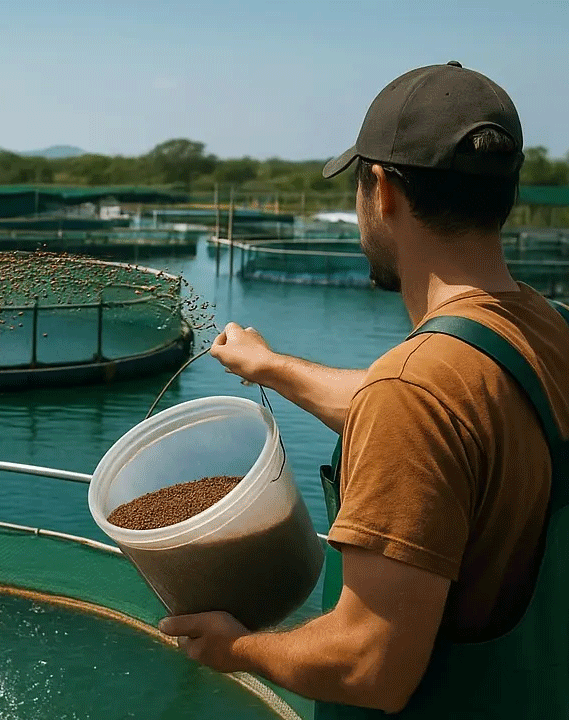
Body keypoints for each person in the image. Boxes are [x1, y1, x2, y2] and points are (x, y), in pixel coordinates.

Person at [158, 61, 569, 717]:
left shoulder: (416, 392)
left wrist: (236, 649)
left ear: (382, 191)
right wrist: (269, 366)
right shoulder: (546, 328)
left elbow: (369, 663)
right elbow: (451, 421)